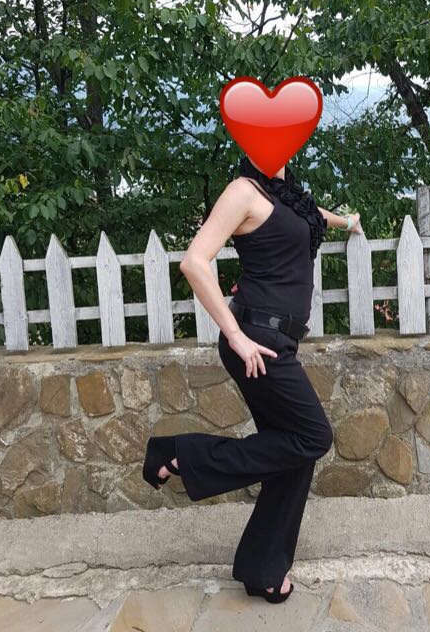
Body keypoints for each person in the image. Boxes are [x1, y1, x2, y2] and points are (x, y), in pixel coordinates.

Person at [142, 155, 362, 603]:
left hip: (279, 340)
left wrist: (347, 222)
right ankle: (181, 453)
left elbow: (311, 214)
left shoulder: (287, 193)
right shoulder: (244, 190)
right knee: (314, 437)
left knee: (293, 453)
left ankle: (263, 570)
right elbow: (194, 262)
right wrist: (236, 336)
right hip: (256, 341)